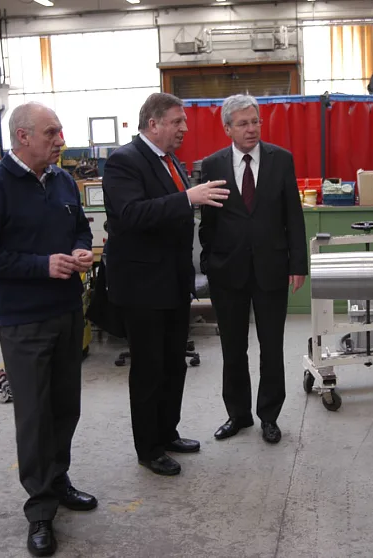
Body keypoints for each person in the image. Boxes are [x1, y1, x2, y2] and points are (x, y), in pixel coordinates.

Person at [0, 102, 97, 557]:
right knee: (35, 416)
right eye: (51, 132)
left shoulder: (61, 181)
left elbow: (80, 228)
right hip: (23, 320)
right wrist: (42, 265)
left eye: (59, 131)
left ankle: (58, 482)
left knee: (65, 407)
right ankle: (40, 511)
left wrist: (79, 251)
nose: (60, 140)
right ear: (23, 137)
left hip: (66, 311)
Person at [102, 93, 229, 476]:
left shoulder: (168, 160)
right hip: (142, 286)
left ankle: (167, 432)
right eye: (177, 122)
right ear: (153, 123)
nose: (184, 129)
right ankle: (149, 447)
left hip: (173, 283)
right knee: (148, 369)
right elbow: (128, 215)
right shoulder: (124, 161)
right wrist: (187, 198)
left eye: (183, 122)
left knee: (174, 364)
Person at [199, 94, 308, 445]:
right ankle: (238, 414)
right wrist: (209, 263)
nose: (252, 129)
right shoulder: (213, 165)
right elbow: (208, 222)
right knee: (232, 348)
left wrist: (298, 264)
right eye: (243, 123)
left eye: (256, 121)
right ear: (227, 128)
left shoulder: (281, 160)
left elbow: (293, 215)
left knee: (271, 347)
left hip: (271, 268)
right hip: (227, 271)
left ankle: (269, 416)